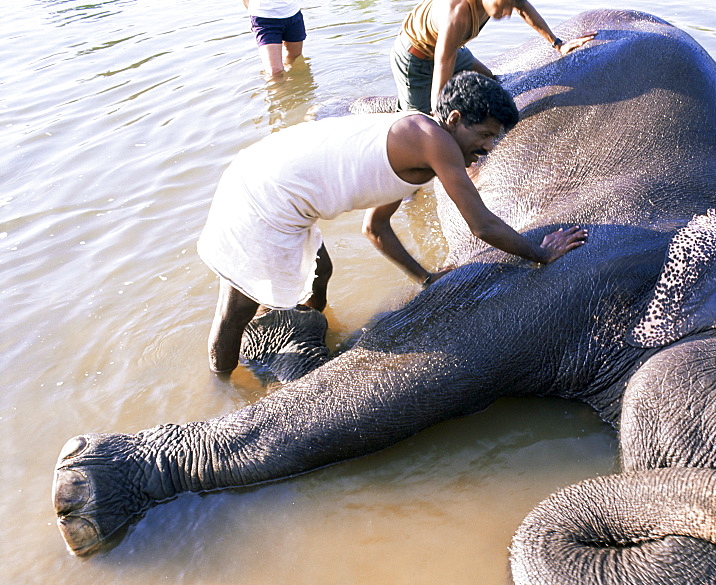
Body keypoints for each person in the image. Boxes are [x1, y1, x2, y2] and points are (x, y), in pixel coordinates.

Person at [198, 71, 587, 373]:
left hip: (272, 175)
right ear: (453, 119)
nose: (487, 148)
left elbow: (375, 229)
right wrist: (539, 252)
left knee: (320, 270)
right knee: (235, 307)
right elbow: (481, 225)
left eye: (494, 140)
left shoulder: (418, 143)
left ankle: (291, 333)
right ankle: (223, 386)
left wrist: (426, 278)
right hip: (264, 194)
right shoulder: (434, 142)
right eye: (484, 135)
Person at [392, 0, 596, 113]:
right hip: (415, 56)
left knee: (488, 78)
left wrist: (558, 44)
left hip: (451, 46)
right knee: (421, 121)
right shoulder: (457, 12)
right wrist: (439, 110)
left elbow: (522, 8)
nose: (508, 12)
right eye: (504, 4)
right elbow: (443, 61)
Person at [243, 0, 306, 78]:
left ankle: (296, 87)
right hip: (263, 18)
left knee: (294, 58)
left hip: (292, 13)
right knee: (275, 72)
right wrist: (251, 14)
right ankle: (279, 88)